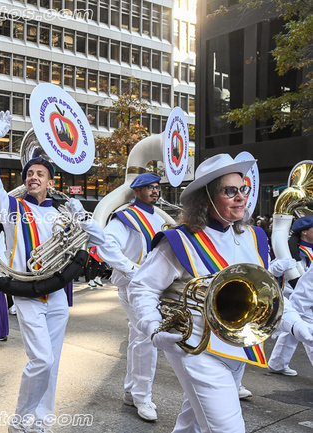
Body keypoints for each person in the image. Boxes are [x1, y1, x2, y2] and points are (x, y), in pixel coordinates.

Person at [128, 154, 313, 433]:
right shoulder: (179, 240)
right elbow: (142, 287)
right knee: (227, 428)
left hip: (237, 343)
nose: (241, 197)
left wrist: (296, 324)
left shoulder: (254, 236)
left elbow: (265, 295)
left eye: (243, 189)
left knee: (193, 422)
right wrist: (153, 328)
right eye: (230, 191)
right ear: (206, 199)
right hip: (197, 347)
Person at [0, 111, 106, 433]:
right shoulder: (11, 209)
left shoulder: (63, 213)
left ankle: (42, 421)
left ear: (51, 182)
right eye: (29, 174)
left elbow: (99, 242)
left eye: (40, 174)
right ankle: (20, 418)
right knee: (42, 360)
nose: (33, 177)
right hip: (28, 294)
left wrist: (83, 218)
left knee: (53, 362)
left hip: (58, 296)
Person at [96, 173, 165, 421]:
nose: (155, 191)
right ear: (137, 191)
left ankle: (131, 391)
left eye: (156, 187)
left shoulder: (158, 218)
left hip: (152, 287)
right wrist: (133, 270)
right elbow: (105, 245)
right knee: (148, 338)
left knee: (139, 337)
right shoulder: (126, 217)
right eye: (149, 187)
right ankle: (142, 397)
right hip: (134, 286)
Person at [267, 215, 313, 377]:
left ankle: (277, 363)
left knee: (293, 329)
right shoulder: (296, 250)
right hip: (295, 293)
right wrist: (278, 267)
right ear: (304, 232)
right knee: (306, 331)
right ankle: (277, 363)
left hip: (305, 294)